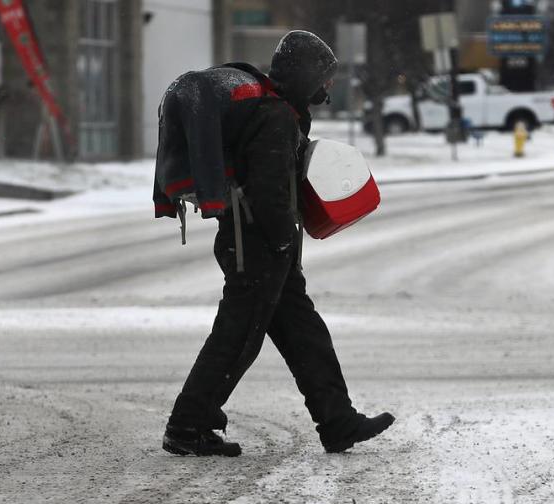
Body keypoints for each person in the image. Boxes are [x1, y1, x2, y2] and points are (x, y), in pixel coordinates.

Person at [155, 31, 394, 456]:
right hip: (256, 243)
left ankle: (337, 421)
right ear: (305, 77)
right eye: (324, 77)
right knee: (238, 336)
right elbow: (268, 191)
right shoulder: (275, 116)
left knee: (304, 334)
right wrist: (285, 239)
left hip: (258, 242)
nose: (328, 87)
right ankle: (188, 425)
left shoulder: (275, 111)